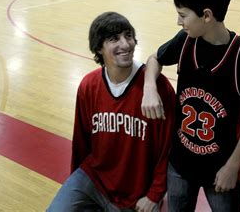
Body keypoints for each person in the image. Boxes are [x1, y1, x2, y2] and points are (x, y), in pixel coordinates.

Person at [141, 0, 240, 212]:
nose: (179, 22)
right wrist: (149, 88)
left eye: (183, 15)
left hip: (221, 169)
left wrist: (233, 165)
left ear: (207, 15)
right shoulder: (185, 40)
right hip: (180, 164)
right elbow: (154, 58)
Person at [48, 11, 175, 212]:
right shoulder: (89, 85)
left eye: (128, 36)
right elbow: (81, 141)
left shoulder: (157, 88)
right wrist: (75, 184)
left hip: (138, 190)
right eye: (114, 39)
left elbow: (169, 148)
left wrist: (155, 194)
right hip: (94, 178)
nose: (125, 44)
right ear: (99, 47)